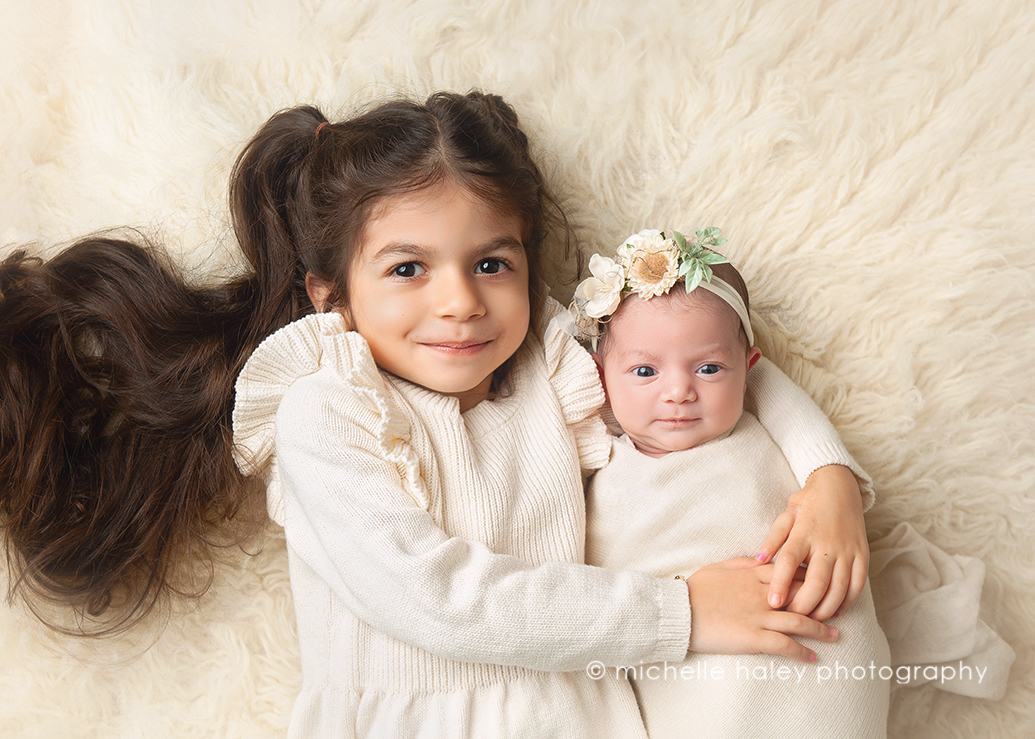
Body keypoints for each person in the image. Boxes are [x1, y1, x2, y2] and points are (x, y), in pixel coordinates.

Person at [1, 92, 870, 737]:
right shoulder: (325, 408)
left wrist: (828, 476)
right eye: (407, 269)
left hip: (586, 710)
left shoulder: (551, 366)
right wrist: (678, 613)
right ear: (329, 291)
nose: (459, 303)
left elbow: (712, 360)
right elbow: (436, 598)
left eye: (491, 263)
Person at [577, 229, 890, 738]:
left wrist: (837, 484)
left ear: (747, 369)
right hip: (696, 673)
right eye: (644, 371)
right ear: (599, 376)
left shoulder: (764, 420)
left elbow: (800, 425)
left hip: (825, 658)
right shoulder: (599, 465)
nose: (679, 391)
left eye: (708, 368)